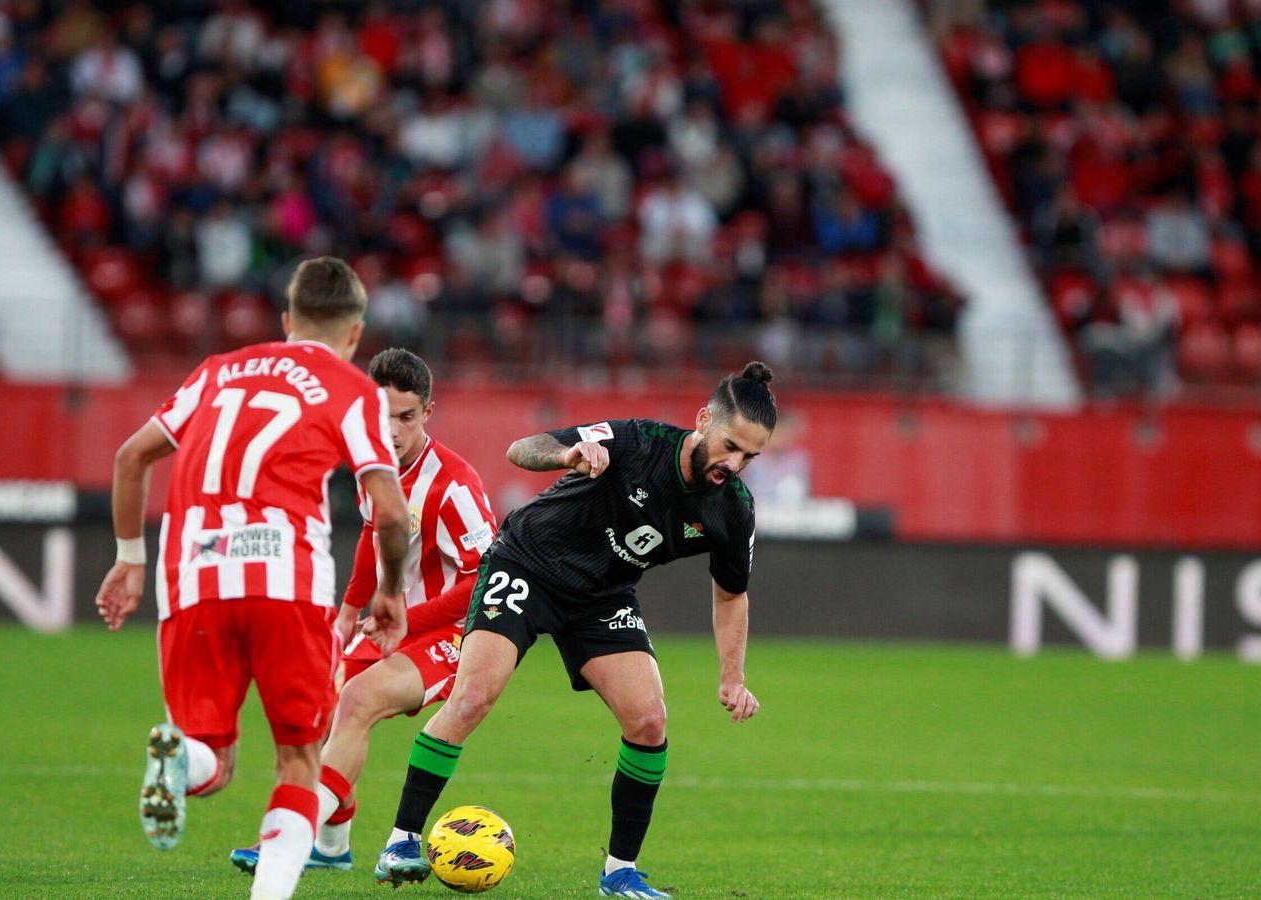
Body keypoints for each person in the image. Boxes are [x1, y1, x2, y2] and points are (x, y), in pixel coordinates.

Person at [371, 361, 777, 899]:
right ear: (703, 419)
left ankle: (620, 873)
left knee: (649, 720)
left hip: (602, 596)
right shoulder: (638, 441)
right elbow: (522, 447)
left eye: (750, 455)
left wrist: (732, 677)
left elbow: (731, 593)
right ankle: (401, 840)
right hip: (527, 565)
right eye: (730, 445)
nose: (735, 463)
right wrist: (569, 453)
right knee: (472, 697)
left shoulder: (733, 510)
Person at [94, 257, 412, 900]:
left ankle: (180, 761)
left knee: (212, 761)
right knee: (298, 759)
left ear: (288, 319)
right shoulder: (353, 390)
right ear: (355, 334)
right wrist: (390, 589)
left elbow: (131, 456)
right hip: (284, 579)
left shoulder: (217, 372)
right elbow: (393, 513)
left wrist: (130, 558)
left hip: (194, 574)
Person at [229, 348, 497, 874]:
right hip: (387, 622)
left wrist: (407, 622)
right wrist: (349, 612)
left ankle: (289, 842)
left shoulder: (453, 484)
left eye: (406, 417)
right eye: (381, 416)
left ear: (428, 412)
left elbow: (485, 580)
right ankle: (331, 849)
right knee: (322, 721)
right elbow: (374, 533)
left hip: (452, 632)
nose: (392, 431)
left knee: (355, 702)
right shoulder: (369, 467)